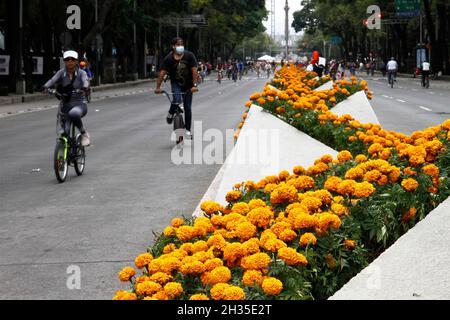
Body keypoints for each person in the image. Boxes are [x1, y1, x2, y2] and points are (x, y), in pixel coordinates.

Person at [42, 50, 91, 146]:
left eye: (72, 59)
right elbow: (53, 80)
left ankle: (84, 133)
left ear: (76, 61)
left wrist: (85, 87)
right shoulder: (61, 73)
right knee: (64, 132)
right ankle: (64, 155)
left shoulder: (81, 73)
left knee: (74, 113)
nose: (70, 62)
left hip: (79, 104)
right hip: (65, 106)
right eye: (67, 59)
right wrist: (45, 87)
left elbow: (85, 80)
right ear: (64, 61)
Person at [155, 37, 200, 139]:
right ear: (173, 46)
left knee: (187, 107)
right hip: (176, 83)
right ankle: (171, 112)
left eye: (182, 44)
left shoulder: (189, 56)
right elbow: (162, 73)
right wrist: (158, 87)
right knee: (176, 100)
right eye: (178, 45)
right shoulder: (168, 59)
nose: (180, 46)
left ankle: (188, 130)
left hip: (188, 85)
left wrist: (195, 85)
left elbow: (194, 71)